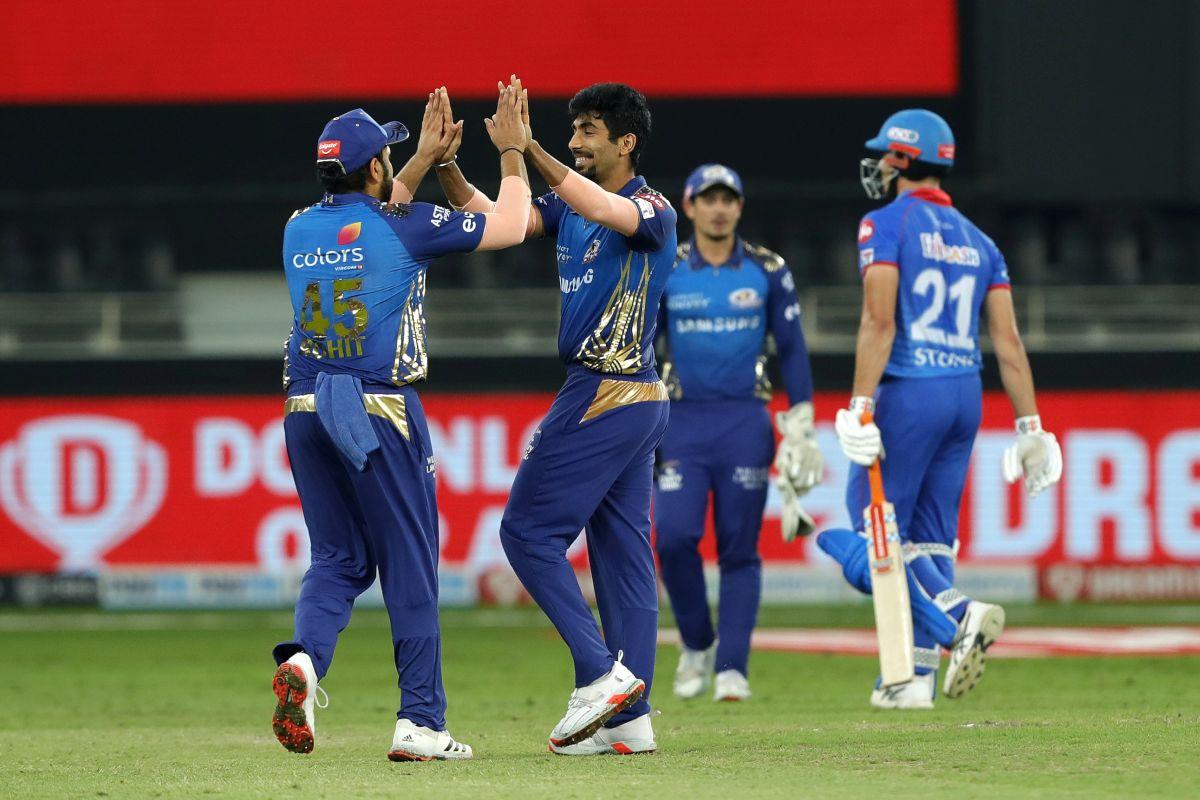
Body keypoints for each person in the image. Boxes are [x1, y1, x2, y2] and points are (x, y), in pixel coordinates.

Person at [270, 88, 531, 760]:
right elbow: (509, 223)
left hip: (305, 407)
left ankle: (303, 663)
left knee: (335, 559)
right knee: (410, 564)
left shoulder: (298, 226)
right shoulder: (408, 224)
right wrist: (508, 152)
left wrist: (413, 160)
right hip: (379, 407)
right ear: (377, 170)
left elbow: (370, 219)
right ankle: (421, 722)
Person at [434, 77, 675, 755]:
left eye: (588, 132)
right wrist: (455, 166)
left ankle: (601, 676)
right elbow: (498, 222)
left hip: (606, 390)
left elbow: (601, 205)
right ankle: (629, 721)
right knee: (622, 558)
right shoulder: (569, 203)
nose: (576, 142)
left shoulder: (653, 207)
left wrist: (529, 148)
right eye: (570, 132)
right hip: (630, 401)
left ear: (626, 142)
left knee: (525, 534)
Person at [818, 110, 1063, 709]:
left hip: (909, 389)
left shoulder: (885, 221)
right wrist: (1032, 428)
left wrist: (859, 405)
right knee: (929, 542)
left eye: (885, 155)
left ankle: (956, 621)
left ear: (902, 160)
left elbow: (880, 321)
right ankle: (910, 682)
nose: (877, 165)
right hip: (963, 395)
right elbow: (1008, 343)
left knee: (866, 532)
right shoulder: (981, 241)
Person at [653, 163, 821, 702]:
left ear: (740, 208)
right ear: (690, 206)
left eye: (729, 199)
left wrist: (803, 420)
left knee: (739, 548)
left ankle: (732, 667)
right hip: (681, 421)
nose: (719, 208)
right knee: (673, 538)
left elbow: (792, 348)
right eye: (709, 199)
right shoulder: (668, 266)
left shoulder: (769, 269)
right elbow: (643, 345)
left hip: (744, 421)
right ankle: (698, 642)